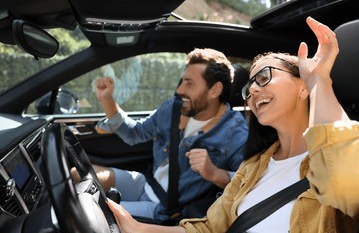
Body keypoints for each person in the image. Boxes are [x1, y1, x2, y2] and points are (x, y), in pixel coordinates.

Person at [106, 16, 359, 233]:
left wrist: (319, 82)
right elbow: (210, 230)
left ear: (303, 86)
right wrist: (134, 229)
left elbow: (349, 186)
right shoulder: (254, 165)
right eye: (249, 85)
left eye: (263, 77)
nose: (252, 90)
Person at [85, 48, 248, 222]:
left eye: (189, 83)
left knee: (87, 210)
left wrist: (214, 173)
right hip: (146, 184)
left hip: (164, 209)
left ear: (215, 90)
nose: (179, 90)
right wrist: (107, 99)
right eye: (181, 81)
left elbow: (247, 186)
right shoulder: (173, 108)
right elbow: (134, 133)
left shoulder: (236, 135)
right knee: (78, 174)